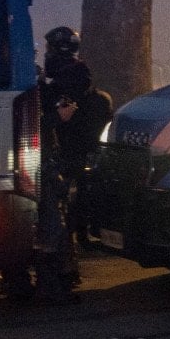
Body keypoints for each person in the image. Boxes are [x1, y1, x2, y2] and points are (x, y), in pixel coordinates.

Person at [35, 26, 112, 301]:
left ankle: (55, 280)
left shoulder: (64, 82)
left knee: (54, 219)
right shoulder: (75, 82)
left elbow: (57, 119)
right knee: (55, 218)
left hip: (58, 156)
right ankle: (60, 277)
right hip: (60, 156)